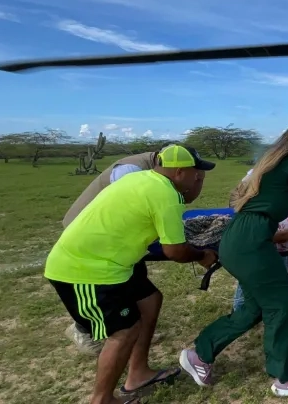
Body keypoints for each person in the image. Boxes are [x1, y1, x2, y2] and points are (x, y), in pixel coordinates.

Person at [178, 122, 288, 397]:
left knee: (254, 309)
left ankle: (200, 354)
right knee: (279, 305)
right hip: (253, 242)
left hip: (239, 238)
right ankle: (286, 377)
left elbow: (287, 206)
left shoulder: (273, 165)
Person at [44, 145, 219, 404]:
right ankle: (102, 399)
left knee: (149, 300)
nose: (198, 180)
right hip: (86, 269)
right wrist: (202, 256)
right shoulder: (165, 193)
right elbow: (174, 251)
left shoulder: (142, 177)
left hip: (115, 264)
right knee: (123, 331)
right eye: (197, 175)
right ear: (180, 171)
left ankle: (138, 373)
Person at [62, 145, 183, 355]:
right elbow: (128, 207)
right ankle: (83, 328)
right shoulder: (130, 170)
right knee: (110, 288)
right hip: (90, 235)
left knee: (143, 289)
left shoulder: (150, 170)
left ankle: (137, 332)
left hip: (107, 234)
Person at [230, 168, 288, 315]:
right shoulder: (266, 178)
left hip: (266, 221)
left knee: (282, 261)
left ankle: (287, 304)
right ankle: (240, 308)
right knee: (251, 270)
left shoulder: (284, 174)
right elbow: (277, 235)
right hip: (253, 229)